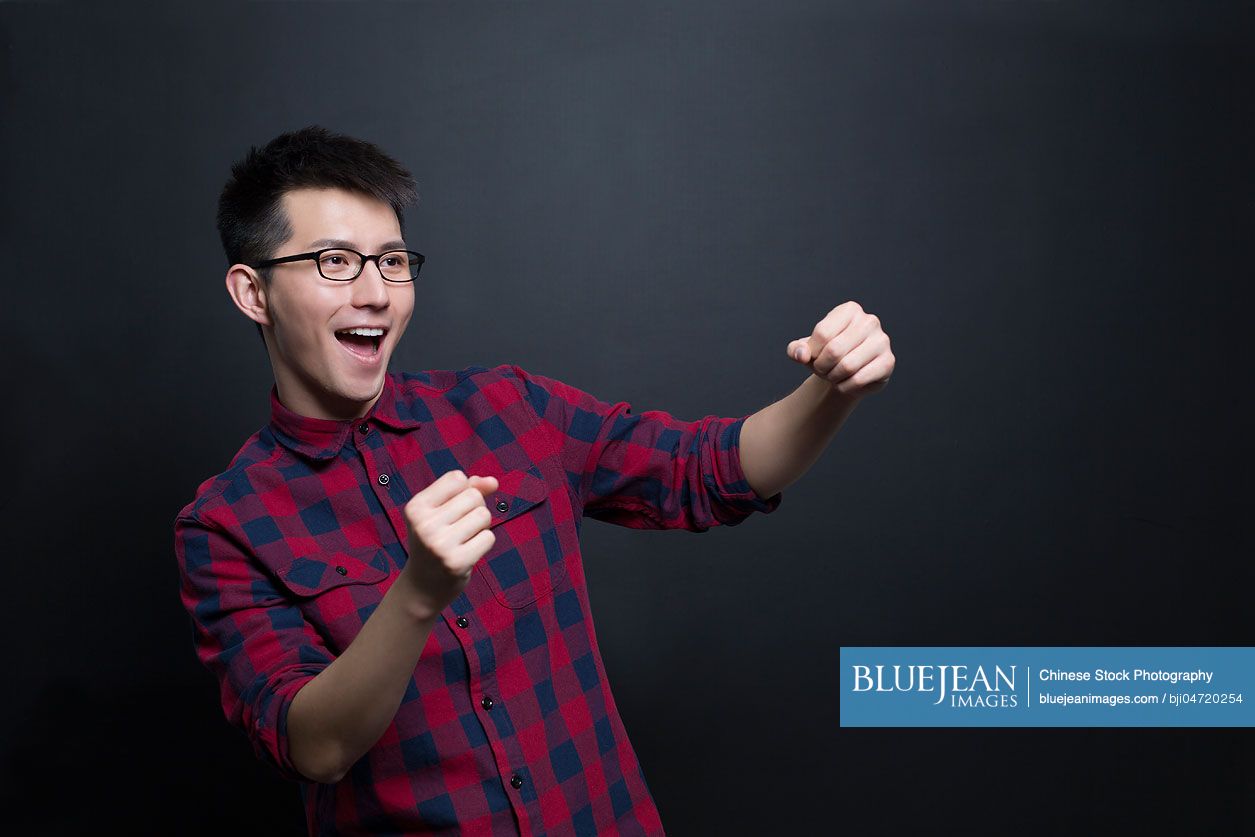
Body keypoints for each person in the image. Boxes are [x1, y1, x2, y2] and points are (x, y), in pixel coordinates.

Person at [173, 125, 894, 836]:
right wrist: (417, 594)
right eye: (335, 261)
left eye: (393, 261)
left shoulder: (505, 407)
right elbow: (314, 747)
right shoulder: (225, 525)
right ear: (253, 292)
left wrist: (833, 389)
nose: (376, 293)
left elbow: (707, 470)